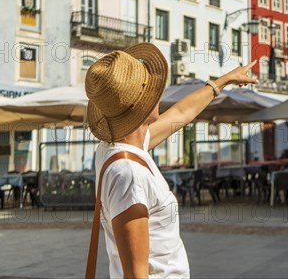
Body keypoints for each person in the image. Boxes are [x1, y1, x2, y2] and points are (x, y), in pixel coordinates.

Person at [85, 43, 257, 278]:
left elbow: (180, 114)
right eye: (151, 90)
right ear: (139, 105)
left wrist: (222, 82)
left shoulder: (118, 147)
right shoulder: (128, 174)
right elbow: (136, 275)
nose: (158, 93)